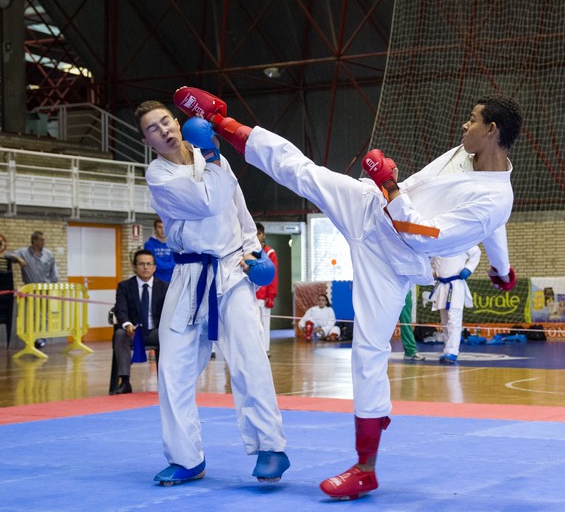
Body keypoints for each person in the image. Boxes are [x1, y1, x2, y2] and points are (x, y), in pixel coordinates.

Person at [172, 87, 520, 500]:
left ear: (492, 129)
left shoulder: (495, 199)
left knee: (369, 353)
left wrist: (390, 183)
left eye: (474, 119)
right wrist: (502, 269)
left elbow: (426, 236)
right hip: (370, 207)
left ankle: (365, 469)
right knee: (299, 169)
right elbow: (493, 234)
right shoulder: (470, 155)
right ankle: (219, 119)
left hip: (393, 261)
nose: (465, 124)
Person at [135, 100, 289, 486]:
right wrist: (211, 151)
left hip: (231, 271)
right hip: (189, 276)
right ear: (148, 140)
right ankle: (187, 458)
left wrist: (255, 253)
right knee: (172, 369)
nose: (164, 130)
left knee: (249, 360)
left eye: (166, 120)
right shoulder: (159, 174)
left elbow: (239, 212)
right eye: (153, 128)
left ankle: (269, 448)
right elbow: (209, 201)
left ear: (177, 121)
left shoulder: (216, 160)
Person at [111, 249, 168, 394]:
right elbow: (120, 310)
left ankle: (166, 382)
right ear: (135, 267)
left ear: (154, 267)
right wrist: (126, 324)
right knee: (119, 334)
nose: (145, 267)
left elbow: (168, 313)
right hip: (133, 331)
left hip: (155, 331)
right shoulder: (124, 287)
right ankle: (124, 382)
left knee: (168, 337)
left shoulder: (164, 287)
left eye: (149, 264)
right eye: (141, 264)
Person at [430, 246, 481, 364]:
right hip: (441, 285)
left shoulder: (462, 240)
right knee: (444, 321)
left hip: (456, 284)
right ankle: (446, 350)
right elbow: (429, 259)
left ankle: (452, 351)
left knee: (454, 319)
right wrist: (431, 270)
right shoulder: (437, 244)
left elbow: (476, 252)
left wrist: (469, 268)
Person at [9, 231, 58, 350]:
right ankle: (32, 338)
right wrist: (18, 260)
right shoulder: (23, 252)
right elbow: (7, 255)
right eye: (41, 239)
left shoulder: (48, 254)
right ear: (34, 241)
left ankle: (41, 339)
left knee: (45, 315)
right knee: (33, 315)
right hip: (30, 291)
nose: (43, 242)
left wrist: (54, 286)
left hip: (45, 290)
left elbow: (54, 273)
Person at [255, 223, 278, 355]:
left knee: (264, 323)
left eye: (259, 234)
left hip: (264, 295)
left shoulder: (270, 253)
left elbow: (273, 275)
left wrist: (271, 295)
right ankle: (255, 349)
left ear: (264, 235)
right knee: (252, 323)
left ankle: (265, 349)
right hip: (251, 294)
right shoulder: (248, 251)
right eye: (254, 234)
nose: (256, 237)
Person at [0, 234, 26, 347]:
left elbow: (9, 254)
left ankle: (8, 344)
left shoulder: (6, 258)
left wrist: (19, 259)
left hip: (6, 298)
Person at [144, 216, 176, 283]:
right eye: (159, 227)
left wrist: (165, 266)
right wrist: (168, 266)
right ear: (155, 229)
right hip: (155, 280)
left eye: (164, 227)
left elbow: (175, 261)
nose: (162, 230)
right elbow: (152, 262)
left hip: (171, 280)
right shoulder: (149, 244)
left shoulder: (173, 244)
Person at [399, 290, 424, 360]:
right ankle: (381, 353)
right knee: (385, 322)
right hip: (387, 288)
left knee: (406, 321)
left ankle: (410, 351)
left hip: (405, 290)